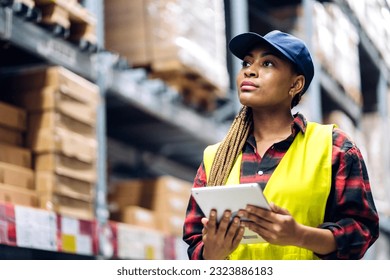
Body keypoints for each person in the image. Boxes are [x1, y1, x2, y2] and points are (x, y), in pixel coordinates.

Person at [182, 30, 379, 260]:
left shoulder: (334, 148)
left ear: (295, 85)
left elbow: (362, 231)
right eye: (246, 62)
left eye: (267, 63)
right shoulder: (215, 157)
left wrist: (299, 236)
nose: (250, 70)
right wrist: (212, 253)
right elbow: (195, 240)